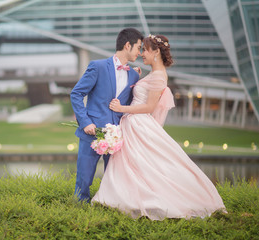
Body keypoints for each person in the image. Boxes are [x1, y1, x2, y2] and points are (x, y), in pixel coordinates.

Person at [91, 34, 226, 220]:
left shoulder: (158, 76)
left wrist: (121, 108)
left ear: (156, 52)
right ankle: (123, 198)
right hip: (134, 123)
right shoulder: (155, 74)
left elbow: (149, 107)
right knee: (134, 166)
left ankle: (132, 200)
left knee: (143, 166)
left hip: (138, 123)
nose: (142, 54)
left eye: (145, 50)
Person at [70, 28, 144, 203]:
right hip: (92, 133)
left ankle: (110, 212)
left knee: (115, 182)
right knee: (84, 181)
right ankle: (78, 216)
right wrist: (85, 122)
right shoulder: (98, 66)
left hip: (118, 136)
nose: (140, 53)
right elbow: (76, 94)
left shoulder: (134, 75)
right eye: (138, 47)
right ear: (127, 45)